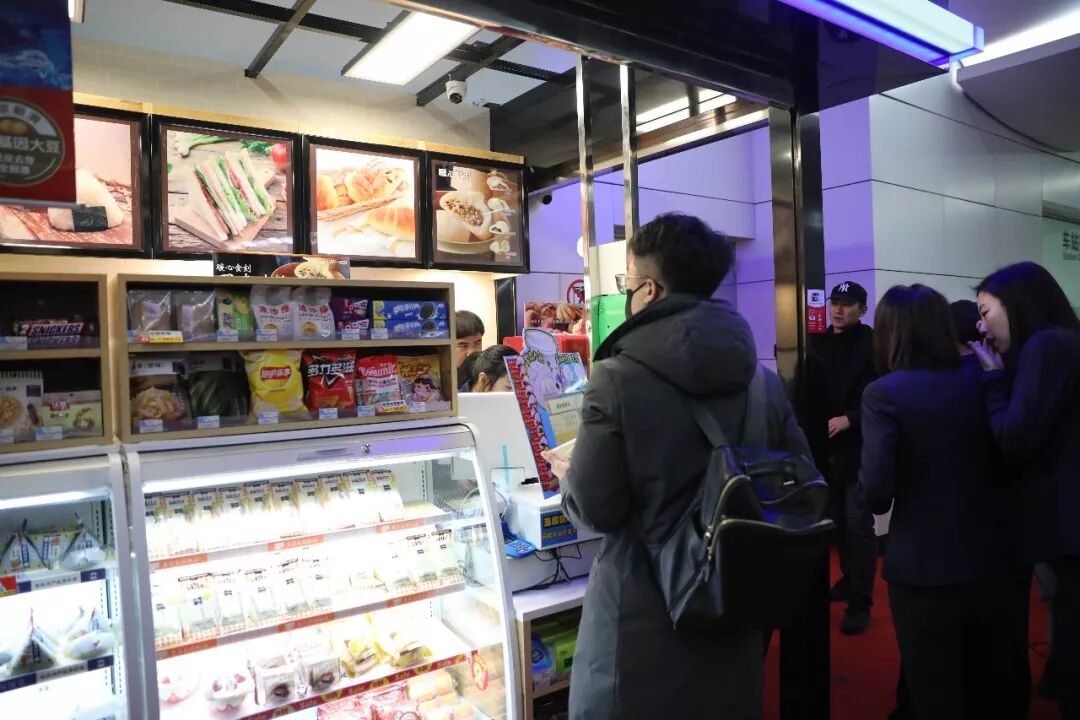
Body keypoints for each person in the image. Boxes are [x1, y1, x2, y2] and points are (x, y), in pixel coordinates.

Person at [541, 212, 813, 720]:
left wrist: (567, 475)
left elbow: (596, 509)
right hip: (734, 605)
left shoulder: (615, 379)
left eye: (625, 282)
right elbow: (799, 481)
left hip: (638, 630)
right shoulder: (763, 383)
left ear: (648, 289)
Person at [860, 284, 1031, 720]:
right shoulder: (987, 377)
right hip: (998, 560)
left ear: (889, 332)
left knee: (936, 692)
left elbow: (877, 491)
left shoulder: (884, 392)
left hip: (923, 567)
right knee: (994, 687)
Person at [969, 262, 1080, 719]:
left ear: (1017, 304)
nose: (980, 326)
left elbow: (1015, 436)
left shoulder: (1046, 345)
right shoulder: (1063, 340)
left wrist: (993, 378)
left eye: (985, 311)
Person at [815, 280, 876, 634]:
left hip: (859, 448)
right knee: (836, 520)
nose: (838, 309)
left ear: (862, 309)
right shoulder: (817, 343)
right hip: (825, 450)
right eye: (835, 302)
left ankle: (860, 603)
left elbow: (881, 393)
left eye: (847, 303)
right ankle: (849, 579)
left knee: (858, 524)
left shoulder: (873, 345)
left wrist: (851, 419)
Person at [454, 310, 485, 391]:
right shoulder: (437, 379)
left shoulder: (488, 373)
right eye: (463, 346)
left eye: (477, 343)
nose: (471, 352)